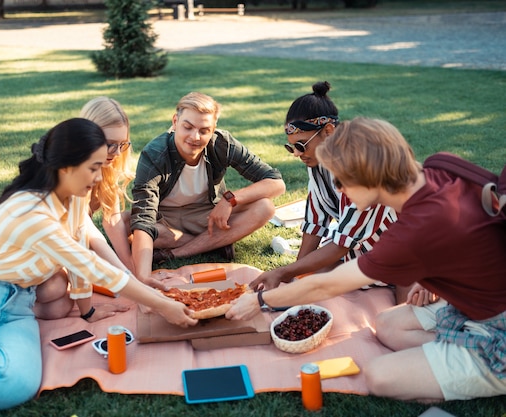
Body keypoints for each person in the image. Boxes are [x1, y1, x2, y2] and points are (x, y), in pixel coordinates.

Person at [0, 118, 197, 417]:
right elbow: (88, 264)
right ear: (66, 167)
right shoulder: (30, 210)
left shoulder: (72, 198)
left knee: (15, 387)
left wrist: (88, 311)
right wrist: (162, 305)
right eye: (94, 168)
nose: (100, 177)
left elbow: (80, 258)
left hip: (18, 305)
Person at [226, 117, 506, 402]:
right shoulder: (438, 165)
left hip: (497, 328)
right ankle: (452, 350)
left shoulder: (414, 233)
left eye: (340, 179)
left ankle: (485, 365)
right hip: (471, 304)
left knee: (379, 376)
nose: (338, 189)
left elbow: (328, 285)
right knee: (386, 324)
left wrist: (261, 301)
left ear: (366, 175)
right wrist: (435, 276)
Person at [250, 81, 400, 297]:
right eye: (291, 146)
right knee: (310, 277)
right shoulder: (319, 164)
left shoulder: (361, 170)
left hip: (393, 253)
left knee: (321, 282)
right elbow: (314, 224)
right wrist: (292, 278)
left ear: (328, 132)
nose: (296, 154)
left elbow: (342, 244)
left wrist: (284, 273)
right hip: (358, 247)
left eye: (301, 145)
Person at [130, 92, 286, 289]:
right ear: (175, 121)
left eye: (204, 130)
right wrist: (143, 277)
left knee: (265, 207)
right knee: (125, 224)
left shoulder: (222, 143)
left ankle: (173, 253)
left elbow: (275, 183)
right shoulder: (154, 154)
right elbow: (144, 217)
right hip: (164, 220)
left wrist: (229, 199)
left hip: (207, 216)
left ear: (214, 129)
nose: (195, 137)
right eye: (188, 127)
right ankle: (216, 243)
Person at [33, 97, 136, 320]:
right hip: (40, 249)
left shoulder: (106, 164)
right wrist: (127, 278)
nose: (116, 152)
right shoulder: (67, 174)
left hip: (66, 245)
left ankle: (14, 307)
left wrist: (131, 273)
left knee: (59, 308)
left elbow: (112, 219)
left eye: (122, 144)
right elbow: (87, 233)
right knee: (54, 289)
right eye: (110, 143)